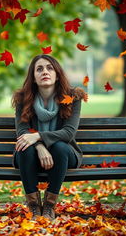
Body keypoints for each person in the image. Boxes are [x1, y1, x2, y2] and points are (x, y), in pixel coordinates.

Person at [11, 54, 86, 220]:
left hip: (64, 155)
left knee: (59, 147)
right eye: (39, 69)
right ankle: (34, 206)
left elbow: (68, 133)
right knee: (24, 147)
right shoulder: (23, 99)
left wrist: (37, 136)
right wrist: (39, 145)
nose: (45, 71)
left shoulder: (73, 97)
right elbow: (22, 132)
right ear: (34, 77)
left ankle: (49, 206)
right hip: (32, 156)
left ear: (57, 74)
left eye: (49, 68)